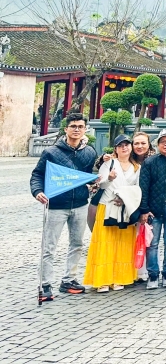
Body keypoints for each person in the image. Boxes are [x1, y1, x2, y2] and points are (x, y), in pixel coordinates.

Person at [31, 112, 98, 299]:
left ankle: (69, 279)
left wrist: (95, 180)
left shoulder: (90, 152)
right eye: (73, 126)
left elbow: (88, 175)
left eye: (80, 127)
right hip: (56, 205)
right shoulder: (51, 152)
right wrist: (37, 191)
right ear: (66, 129)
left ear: (85, 129)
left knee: (77, 244)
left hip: (80, 204)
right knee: (49, 246)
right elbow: (37, 174)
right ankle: (45, 284)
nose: (77, 130)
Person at [83, 135, 142, 292]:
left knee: (123, 244)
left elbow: (137, 188)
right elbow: (101, 184)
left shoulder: (136, 167)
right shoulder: (109, 163)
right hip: (107, 206)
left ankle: (119, 278)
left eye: (127, 145)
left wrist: (125, 198)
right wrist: (109, 178)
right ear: (115, 149)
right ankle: (102, 280)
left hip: (125, 208)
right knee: (105, 243)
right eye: (120, 146)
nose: (124, 148)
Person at [138, 128, 166, 289]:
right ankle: (152, 274)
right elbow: (143, 187)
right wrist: (144, 209)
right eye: (163, 141)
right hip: (154, 209)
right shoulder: (150, 162)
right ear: (157, 145)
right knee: (153, 243)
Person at [130, 131, 154, 283]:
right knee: (131, 238)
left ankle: (143, 270)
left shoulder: (154, 160)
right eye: (136, 143)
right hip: (130, 205)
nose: (140, 146)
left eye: (143, 143)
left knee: (146, 238)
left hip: (147, 205)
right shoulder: (126, 159)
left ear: (149, 145)